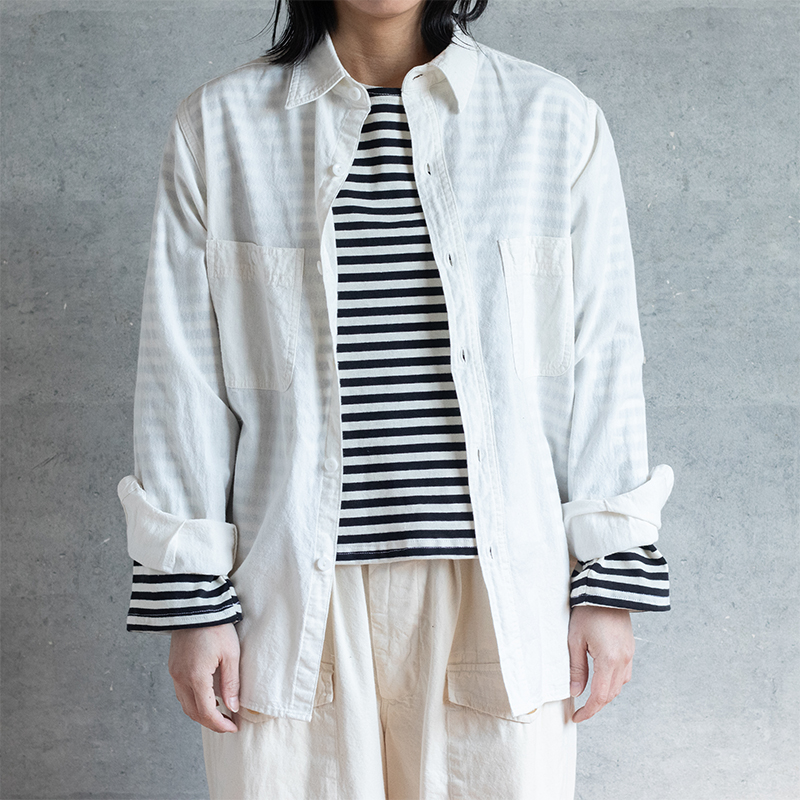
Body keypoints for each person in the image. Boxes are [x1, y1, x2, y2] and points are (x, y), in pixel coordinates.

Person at [116, 0, 674, 797]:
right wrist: (193, 599)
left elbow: (603, 357)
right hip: (291, 596)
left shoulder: (554, 122)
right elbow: (183, 373)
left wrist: (609, 579)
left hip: (500, 592)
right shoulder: (220, 128)